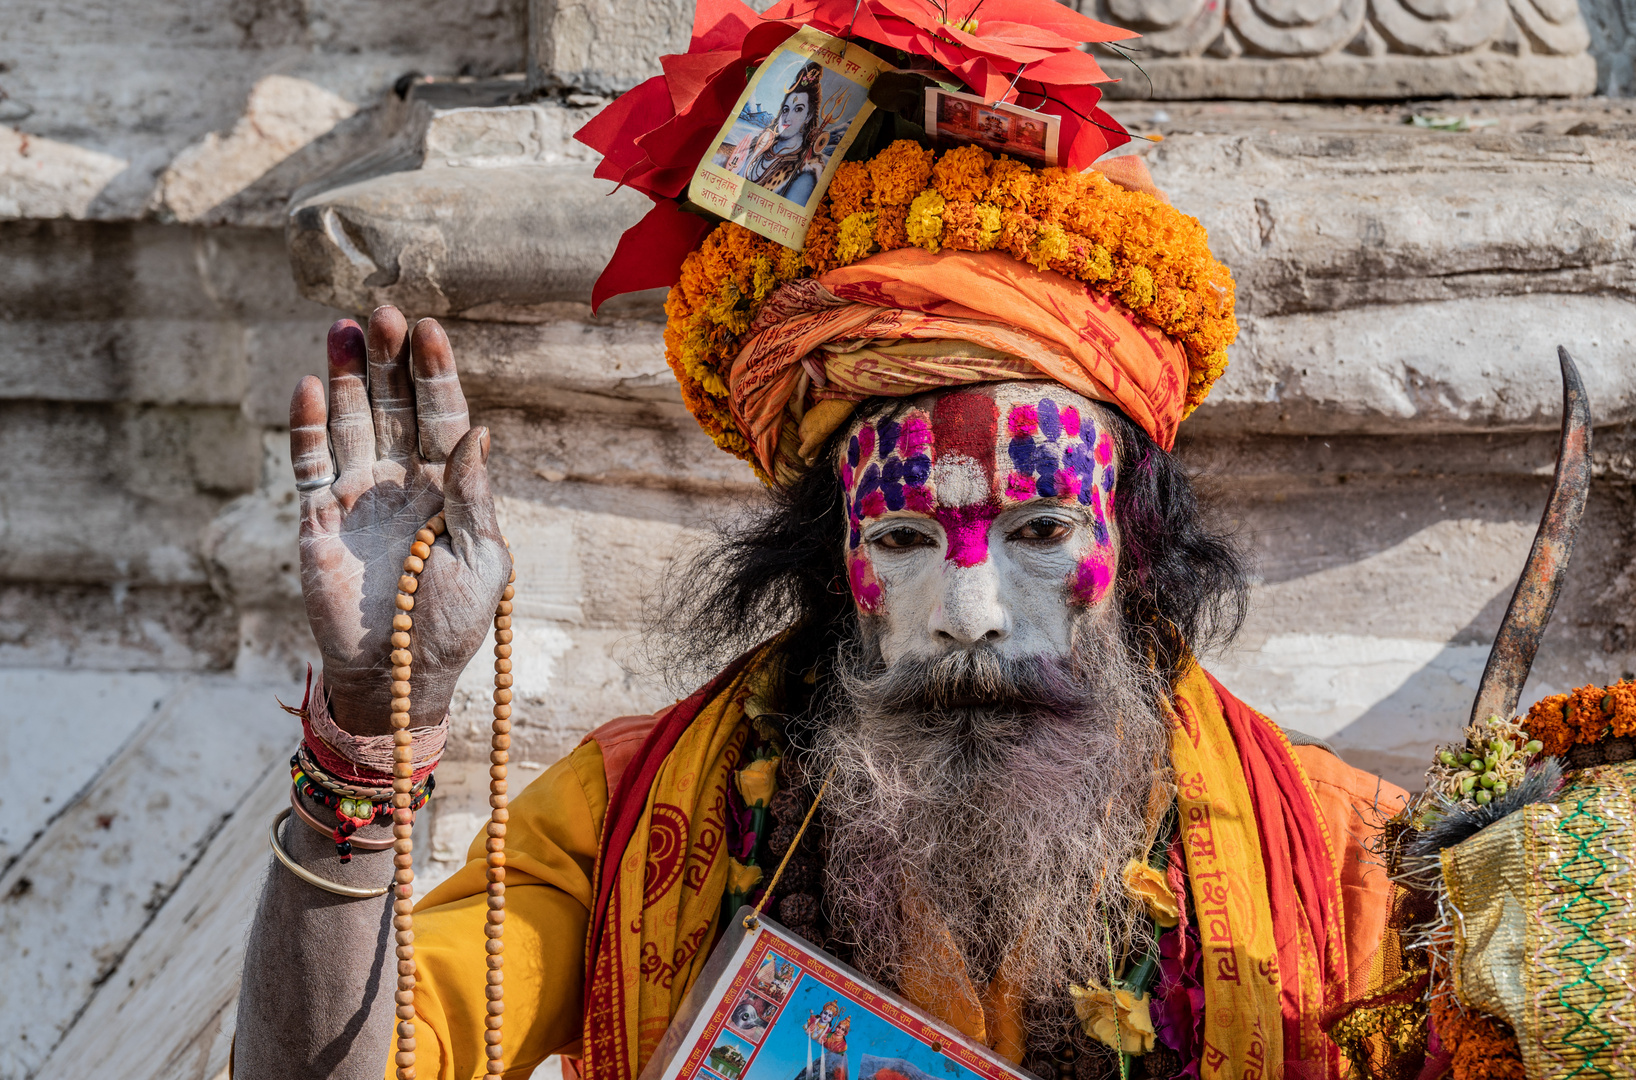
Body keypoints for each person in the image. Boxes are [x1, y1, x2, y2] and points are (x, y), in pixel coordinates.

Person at [231, 9, 1409, 1080]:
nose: (972, 613)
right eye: (902, 536)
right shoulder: (620, 818)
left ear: (1137, 542)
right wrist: (371, 728)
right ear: (830, 569)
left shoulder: (1352, 862)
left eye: (1042, 530)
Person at [720, 61, 828, 206]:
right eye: (785, 109)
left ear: (808, 116)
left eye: (798, 109)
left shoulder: (806, 171)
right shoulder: (760, 146)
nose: (787, 117)